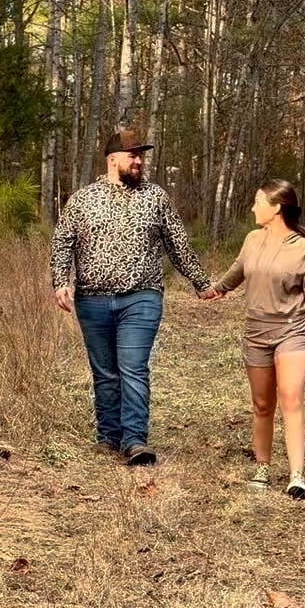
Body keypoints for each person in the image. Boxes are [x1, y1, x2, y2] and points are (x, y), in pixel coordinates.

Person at [50, 128, 216, 466]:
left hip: (141, 298)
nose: (139, 161)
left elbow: (178, 244)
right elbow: (62, 242)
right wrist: (60, 281)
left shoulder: (155, 197)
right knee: (105, 372)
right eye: (133, 155)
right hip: (92, 300)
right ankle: (109, 436)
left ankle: (135, 440)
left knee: (133, 367)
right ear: (113, 160)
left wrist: (200, 282)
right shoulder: (83, 199)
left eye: (142, 156)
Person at [210, 179, 305, 500]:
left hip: (292, 333)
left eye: (258, 201)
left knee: (291, 395)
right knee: (263, 405)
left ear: (276, 207)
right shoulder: (253, 239)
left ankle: (297, 476)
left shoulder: (303, 249)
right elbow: (237, 271)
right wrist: (215, 289)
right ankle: (262, 469)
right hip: (256, 334)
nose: (254, 207)